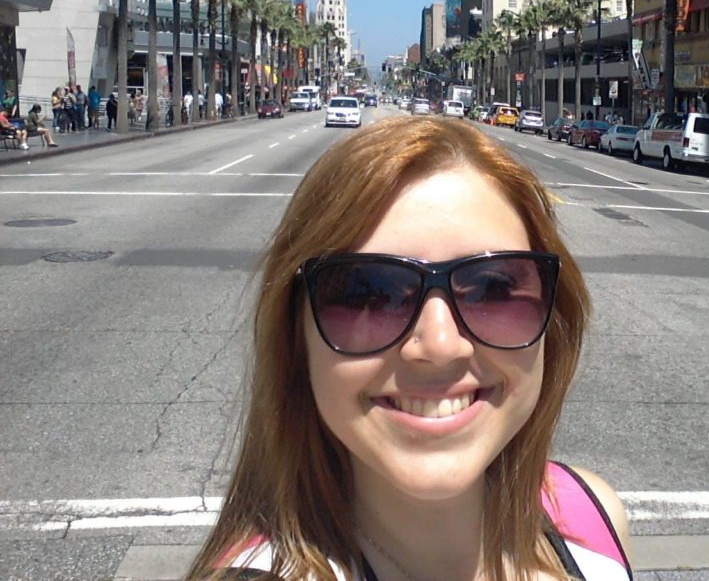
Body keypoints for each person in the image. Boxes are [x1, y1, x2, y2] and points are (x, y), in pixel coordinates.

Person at [187, 116, 632, 581]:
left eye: (494, 289)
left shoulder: (591, 515)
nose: (440, 346)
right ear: (296, 336)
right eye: (367, 293)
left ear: (554, 321)